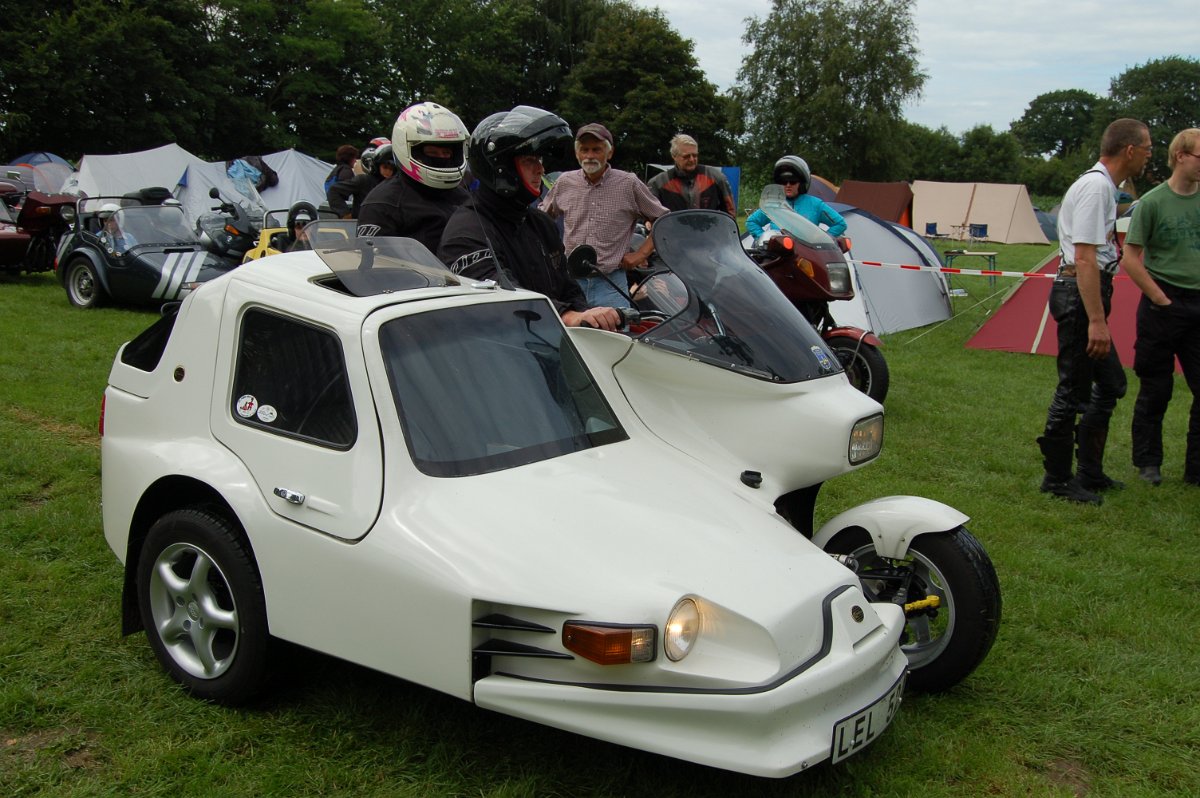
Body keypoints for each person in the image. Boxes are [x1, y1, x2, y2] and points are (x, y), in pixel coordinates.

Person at [1037, 118, 1153, 504]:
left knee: (1112, 384)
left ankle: (1089, 471)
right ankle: (1056, 480)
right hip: (1078, 293)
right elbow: (1085, 258)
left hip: (1087, 291)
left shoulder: (1105, 187)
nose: (1151, 155)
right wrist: (1098, 323)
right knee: (1072, 389)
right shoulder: (1095, 187)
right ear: (1130, 150)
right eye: (1148, 148)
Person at [438, 106, 620, 331]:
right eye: (529, 160)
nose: (541, 169)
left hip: (548, 340)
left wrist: (584, 316)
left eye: (540, 160)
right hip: (499, 349)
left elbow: (568, 286)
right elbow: (500, 298)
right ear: (500, 167)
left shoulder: (540, 223)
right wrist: (566, 315)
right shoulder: (467, 231)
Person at [1121, 127, 1200, 487]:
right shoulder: (1152, 202)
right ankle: (1148, 464)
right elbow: (1131, 257)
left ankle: (1195, 470)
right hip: (1162, 304)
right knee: (1156, 388)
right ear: (1181, 156)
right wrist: (1160, 298)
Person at [539, 122, 669, 308]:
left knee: (613, 337)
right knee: (571, 336)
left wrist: (640, 255)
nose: (590, 156)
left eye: (596, 149)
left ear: (610, 152)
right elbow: (540, 218)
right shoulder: (565, 182)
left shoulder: (628, 184)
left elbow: (663, 220)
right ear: (577, 153)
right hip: (570, 284)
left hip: (610, 285)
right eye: (584, 150)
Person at [356, 102, 469, 252]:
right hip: (414, 275)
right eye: (432, 153)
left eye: (447, 153)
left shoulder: (463, 197)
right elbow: (373, 267)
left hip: (465, 275)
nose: (441, 158)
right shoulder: (383, 204)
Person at [744, 155, 846, 241]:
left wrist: (823, 239)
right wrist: (765, 239)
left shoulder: (816, 204)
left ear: (801, 183)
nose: (788, 185)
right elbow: (751, 222)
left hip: (807, 257)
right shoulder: (773, 205)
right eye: (783, 181)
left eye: (792, 181)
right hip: (779, 256)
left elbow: (840, 223)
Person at [647, 133, 735, 216]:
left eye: (695, 155)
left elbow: (730, 212)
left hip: (709, 231)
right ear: (674, 156)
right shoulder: (657, 183)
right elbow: (650, 216)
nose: (692, 159)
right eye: (686, 156)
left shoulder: (716, 177)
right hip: (672, 231)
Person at [327, 143, 397, 219]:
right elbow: (334, 190)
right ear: (377, 166)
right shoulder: (363, 180)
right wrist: (345, 214)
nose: (388, 171)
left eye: (391, 168)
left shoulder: (398, 185)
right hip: (361, 226)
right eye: (385, 167)